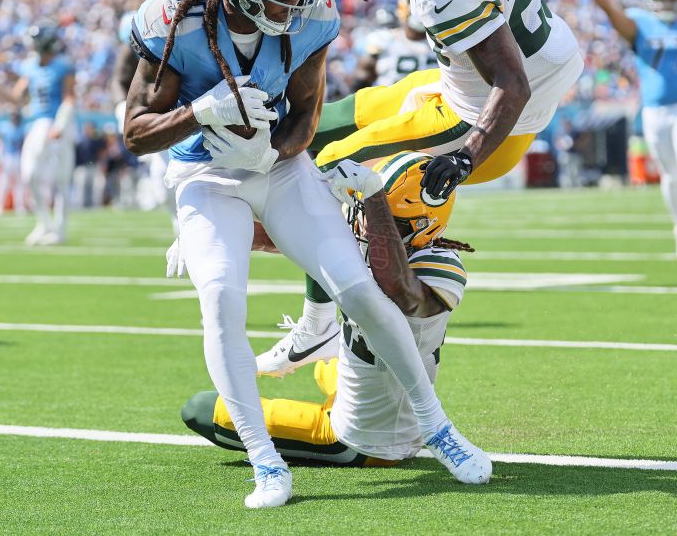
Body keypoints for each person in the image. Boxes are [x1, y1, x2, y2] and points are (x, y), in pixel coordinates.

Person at [124, 0, 490, 509]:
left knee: (356, 285)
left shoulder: (312, 16)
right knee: (219, 301)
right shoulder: (172, 21)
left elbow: (306, 116)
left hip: (278, 166)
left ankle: (438, 428)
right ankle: (266, 462)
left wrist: (272, 154)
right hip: (206, 177)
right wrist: (201, 111)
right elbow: (136, 133)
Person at [264, 0, 583, 375]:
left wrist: (464, 157)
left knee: (330, 173)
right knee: (325, 125)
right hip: (484, 78)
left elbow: (508, 87)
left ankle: (317, 324)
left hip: (483, 115)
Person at [182, 152, 474, 468]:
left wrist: (375, 198)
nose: (364, 223)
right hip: (379, 390)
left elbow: (398, 287)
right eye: (365, 212)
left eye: (386, 217)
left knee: (199, 409)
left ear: (424, 226)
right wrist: (207, 233)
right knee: (326, 362)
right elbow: (298, 236)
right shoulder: (385, 239)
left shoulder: (440, 268)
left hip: (364, 440)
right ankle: (318, 334)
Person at [583, 0, 677, 259]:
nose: (667, 5)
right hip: (655, 109)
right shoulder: (640, 23)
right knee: (670, 175)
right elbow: (611, 11)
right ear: (652, 2)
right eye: (662, 0)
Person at [112, 0, 207, 211]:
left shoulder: (216, 18)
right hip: (166, 116)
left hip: (207, 113)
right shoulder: (147, 21)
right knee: (168, 187)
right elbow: (121, 76)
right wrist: (123, 108)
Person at [1, 21, 77, 244]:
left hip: (59, 122)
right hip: (37, 124)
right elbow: (16, 98)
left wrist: (60, 124)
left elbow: (69, 97)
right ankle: (44, 223)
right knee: (29, 174)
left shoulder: (63, 65)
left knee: (62, 179)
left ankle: (59, 230)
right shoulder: (29, 67)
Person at [355, 4, 436, 90]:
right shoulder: (384, 38)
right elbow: (364, 75)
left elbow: (363, 76)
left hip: (428, 99)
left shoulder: (440, 41)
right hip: (390, 98)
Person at [0, 110, 25, 215]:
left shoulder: (23, 128)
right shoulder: (4, 127)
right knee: (2, 182)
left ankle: (20, 206)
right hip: (6, 157)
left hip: (18, 157)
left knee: (19, 184)